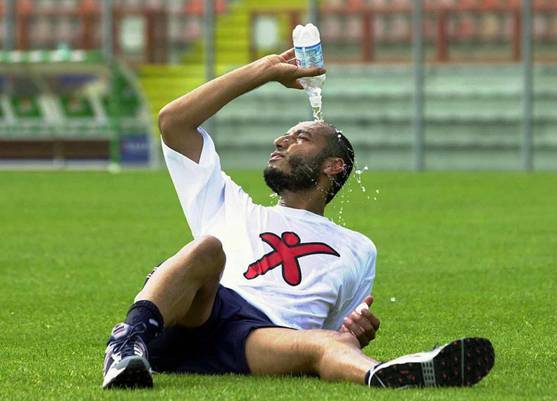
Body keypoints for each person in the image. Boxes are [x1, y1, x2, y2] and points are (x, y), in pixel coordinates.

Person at [102, 49, 494, 390]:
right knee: (207, 249)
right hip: (194, 314)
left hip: (262, 340)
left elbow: (338, 332)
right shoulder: (229, 206)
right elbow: (173, 122)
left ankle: (383, 375)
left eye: (300, 137)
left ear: (332, 166)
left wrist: (356, 333)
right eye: (285, 136)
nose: (280, 141)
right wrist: (267, 70)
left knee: (327, 346)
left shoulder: (359, 248)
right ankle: (126, 345)